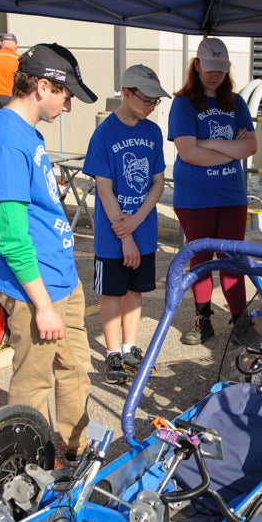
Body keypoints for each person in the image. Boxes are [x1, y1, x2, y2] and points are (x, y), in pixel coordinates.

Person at [0, 43, 98, 463]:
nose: (68, 106)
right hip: (36, 290)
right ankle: (25, 464)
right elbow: (11, 237)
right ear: (43, 86)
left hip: (61, 279)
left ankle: (72, 450)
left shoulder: (28, 134)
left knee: (74, 369)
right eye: (66, 96)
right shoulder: (8, 143)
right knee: (33, 382)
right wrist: (42, 304)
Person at [167, 37, 260, 346]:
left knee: (234, 257)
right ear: (197, 65)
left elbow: (251, 146)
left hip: (232, 194)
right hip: (194, 197)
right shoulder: (183, 103)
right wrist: (232, 149)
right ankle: (203, 319)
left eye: (221, 69)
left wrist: (207, 143)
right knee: (201, 257)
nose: (215, 75)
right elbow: (188, 152)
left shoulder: (235, 102)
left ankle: (240, 321)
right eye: (209, 68)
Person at [83, 65, 168, 384]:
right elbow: (104, 189)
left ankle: (130, 346)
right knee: (112, 294)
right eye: (147, 100)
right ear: (127, 93)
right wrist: (125, 233)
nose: (151, 107)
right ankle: (112, 353)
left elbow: (158, 183)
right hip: (113, 236)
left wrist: (137, 222)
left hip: (142, 229)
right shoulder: (104, 133)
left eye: (155, 102)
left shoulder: (152, 131)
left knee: (136, 292)